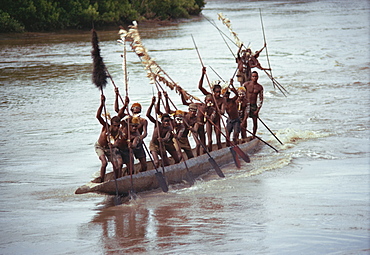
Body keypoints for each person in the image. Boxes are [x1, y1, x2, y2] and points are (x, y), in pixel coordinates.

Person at [114, 88, 148, 172]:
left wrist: (139, 139)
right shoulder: (127, 119)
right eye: (135, 107)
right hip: (126, 143)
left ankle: (140, 174)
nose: (136, 109)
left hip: (137, 142)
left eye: (138, 108)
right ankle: (127, 173)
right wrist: (117, 95)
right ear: (132, 109)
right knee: (128, 164)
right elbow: (117, 111)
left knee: (144, 165)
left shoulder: (143, 121)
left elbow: (145, 133)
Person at [94, 95, 123, 183]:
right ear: (111, 124)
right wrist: (102, 104)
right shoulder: (106, 126)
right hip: (100, 147)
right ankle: (102, 180)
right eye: (114, 126)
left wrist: (113, 145)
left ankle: (116, 180)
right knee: (104, 163)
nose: (116, 128)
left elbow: (117, 143)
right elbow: (98, 116)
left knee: (117, 166)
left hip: (110, 148)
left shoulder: (119, 132)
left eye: (118, 126)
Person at [146, 95, 180, 167]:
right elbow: (148, 115)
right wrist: (152, 104)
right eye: (165, 121)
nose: (167, 122)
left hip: (163, 145)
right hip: (154, 145)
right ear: (162, 121)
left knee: (171, 162)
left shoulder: (169, 128)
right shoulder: (157, 124)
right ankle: (156, 173)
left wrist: (163, 139)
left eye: (168, 121)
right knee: (156, 162)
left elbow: (167, 137)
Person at [198, 67, 225, 150]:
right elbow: (200, 87)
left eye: (219, 92)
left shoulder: (222, 99)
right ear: (213, 91)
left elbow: (223, 112)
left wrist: (218, 110)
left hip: (217, 120)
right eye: (216, 92)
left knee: (218, 138)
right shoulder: (210, 97)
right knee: (209, 141)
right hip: (209, 120)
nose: (218, 93)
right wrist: (203, 74)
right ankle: (209, 151)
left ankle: (220, 152)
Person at [243, 71, 264, 138]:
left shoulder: (259, 87)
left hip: (253, 105)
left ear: (258, 77)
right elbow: (240, 93)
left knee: (255, 121)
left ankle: (253, 135)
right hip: (246, 105)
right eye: (253, 76)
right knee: (243, 120)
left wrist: (257, 110)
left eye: (256, 76)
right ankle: (244, 135)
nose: (254, 78)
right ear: (251, 77)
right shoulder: (246, 84)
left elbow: (261, 99)